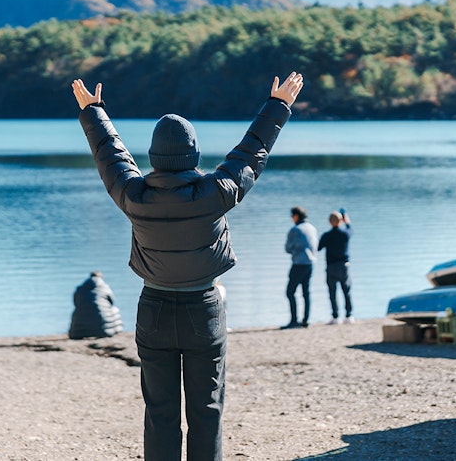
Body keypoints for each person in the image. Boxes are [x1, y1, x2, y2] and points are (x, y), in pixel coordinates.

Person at [71, 71, 304, 461]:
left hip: (154, 310)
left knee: (160, 413)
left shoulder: (134, 194)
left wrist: (94, 113)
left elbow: (110, 156)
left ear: (154, 157)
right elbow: (250, 153)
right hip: (203, 309)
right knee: (207, 412)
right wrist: (278, 105)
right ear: (193, 155)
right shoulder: (215, 193)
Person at [283, 206, 317, 329]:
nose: (292, 219)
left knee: (290, 292)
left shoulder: (295, 230)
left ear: (296, 216)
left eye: (292, 216)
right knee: (306, 293)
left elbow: (288, 248)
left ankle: (293, 321)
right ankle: (306, 320)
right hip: (310, 264)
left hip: (298, 264)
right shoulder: (312, 228)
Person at [318, 209, 353, 324]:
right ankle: (349, 315)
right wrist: (347, 221)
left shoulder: (327, 236)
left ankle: (336, 316)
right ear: (341, 221)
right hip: (343, 266)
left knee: (332, 293)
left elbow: (318, 248)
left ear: (329, 222)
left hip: (331, 267)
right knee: (346, 292)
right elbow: (350, 230)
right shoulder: (344, 234)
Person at [68, 271, 124, 340]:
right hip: (103, 330)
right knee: (114, 310)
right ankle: (116, 330)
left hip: (78, 331)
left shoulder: (80, 288)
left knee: (78, 311)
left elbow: (76, 303)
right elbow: (111, 302)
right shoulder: (105, 288)